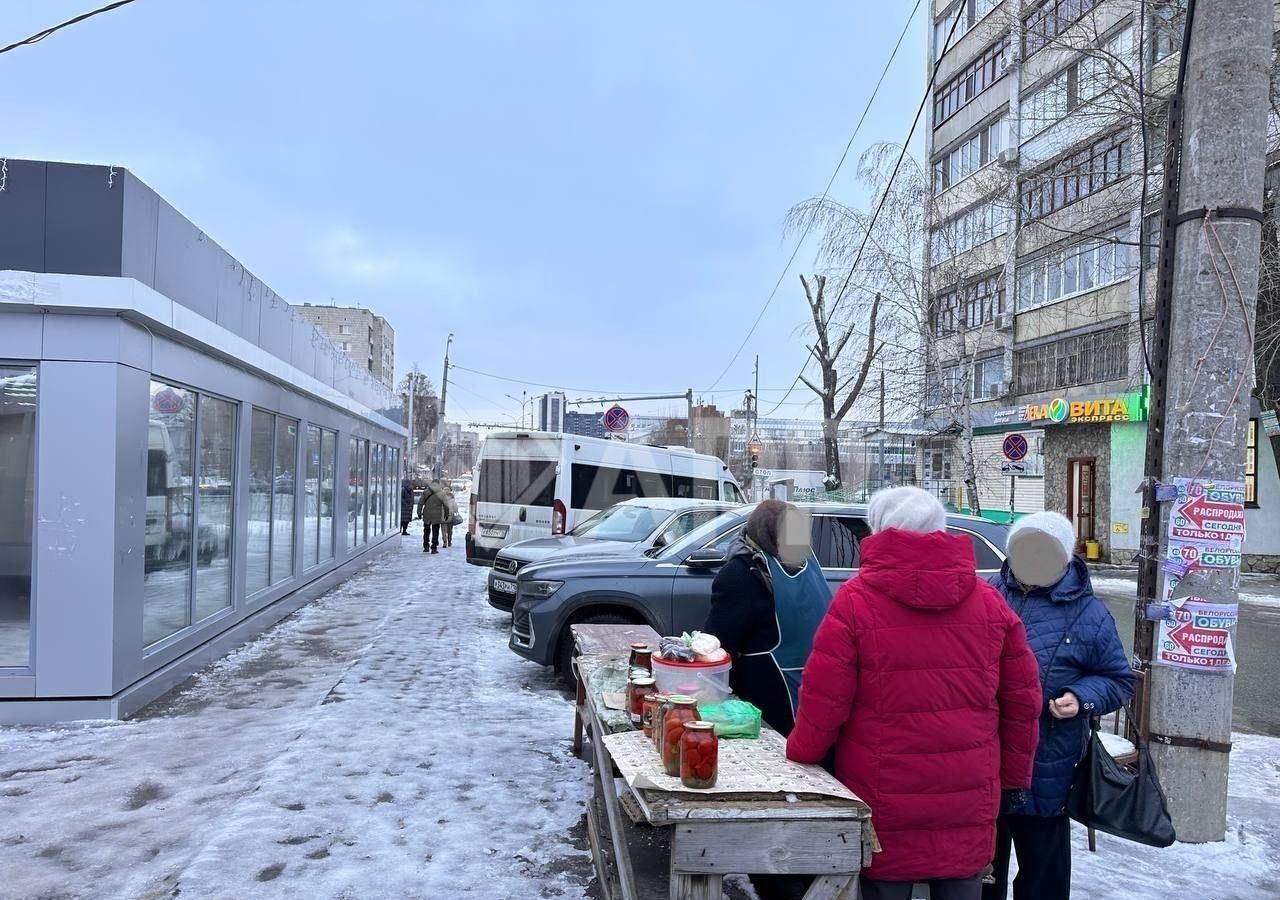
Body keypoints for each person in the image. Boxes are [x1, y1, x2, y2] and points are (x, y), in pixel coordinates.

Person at [787, 487, 1042, 900]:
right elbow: (1022, 703)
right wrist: (1013, 780)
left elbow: (823, 701)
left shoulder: (855, 601)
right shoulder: (990, 603)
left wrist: (802, 755)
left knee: (883, 887)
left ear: (881, 529)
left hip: (883, 793)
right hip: (968, 795)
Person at [984, 511, 1135, 900]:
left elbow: (1118, 679)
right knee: (983, 874)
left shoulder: (1089, 613)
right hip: (986, 759)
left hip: (1048, 763)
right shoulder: (989, 595)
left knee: (1043, 878)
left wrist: (1082, 697)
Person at [703, 499, 830, 738]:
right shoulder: (810, 566)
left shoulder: (743, 573)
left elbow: (716, 646)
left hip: (768, 713)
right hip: (818, 706)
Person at [416, 479, 448, 554]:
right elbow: (446, 505)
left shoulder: (426, 492)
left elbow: (420, 503)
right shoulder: (442, 493)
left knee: (426, 531)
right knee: (435, 531)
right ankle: (434, 548)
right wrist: (447, 514)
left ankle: (426, 546)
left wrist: (419, 512)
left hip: (427, 514)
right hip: (436, 515)